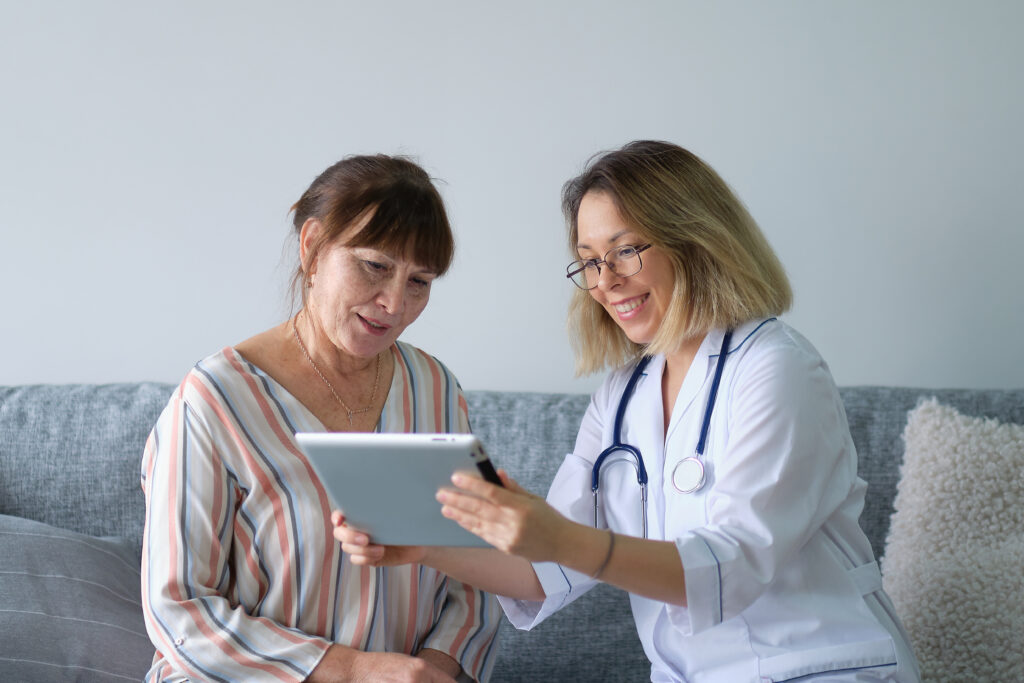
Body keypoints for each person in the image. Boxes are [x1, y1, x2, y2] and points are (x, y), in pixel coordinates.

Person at [335, 141, 921, 682]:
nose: (605, 282)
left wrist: (560, 537)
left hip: (821, 666)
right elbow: (547, 572)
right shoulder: (623, 396)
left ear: (696, 240)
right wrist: (423, 548)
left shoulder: (777, 367)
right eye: (589, 261)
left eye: (625, 251)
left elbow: (730, 568)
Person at [141, 154, 500, 683]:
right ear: (312, 249)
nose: (395, 303)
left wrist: (432, 671)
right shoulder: (214, 399)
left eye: (419, 281)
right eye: (375, 266)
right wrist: (356, 671)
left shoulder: (435, 387)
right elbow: (178, 610)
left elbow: (474, 571)